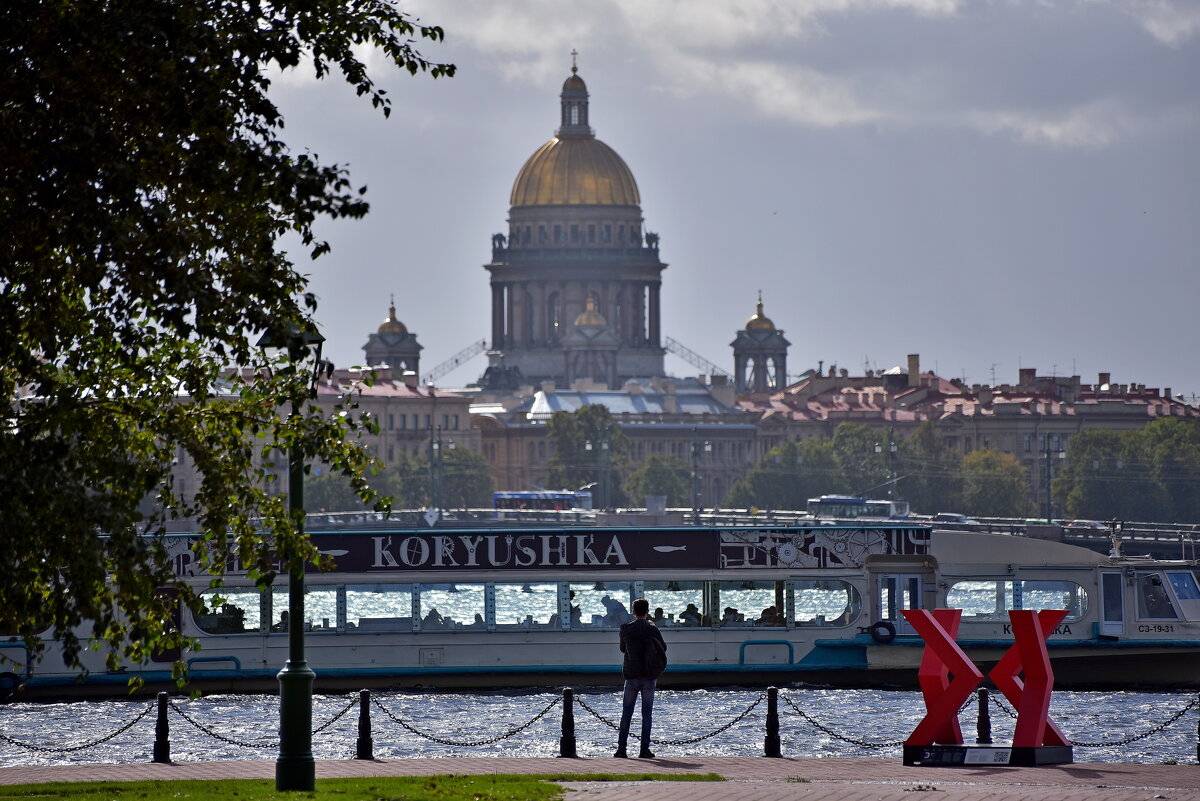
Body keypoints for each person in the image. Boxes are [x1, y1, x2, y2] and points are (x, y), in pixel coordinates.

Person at [615, 597, 666, 759]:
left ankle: (621, 750)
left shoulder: (625, 628)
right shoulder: (652, 628)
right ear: (648, 611)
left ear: (633, 611)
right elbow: (663, 648)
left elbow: (623, 649)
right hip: (649, 675)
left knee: (626, 713)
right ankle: (644, 750)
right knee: (647, 714)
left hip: (631, 675)